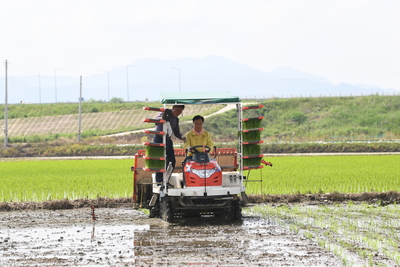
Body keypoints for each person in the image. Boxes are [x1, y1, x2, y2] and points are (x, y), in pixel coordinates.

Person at [153, 105, 186, 184]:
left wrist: (182, 137)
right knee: (160, 160)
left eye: (180, 112)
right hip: (159, 138)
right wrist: (162, 118)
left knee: (172, 161)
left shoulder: (176, 120)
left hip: (168, 140)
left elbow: (176, 132)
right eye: (177, 110)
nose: (178, 113)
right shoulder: (164, 113)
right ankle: (159, 181)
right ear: (173, 108)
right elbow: (156, 122)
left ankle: (166, 180)